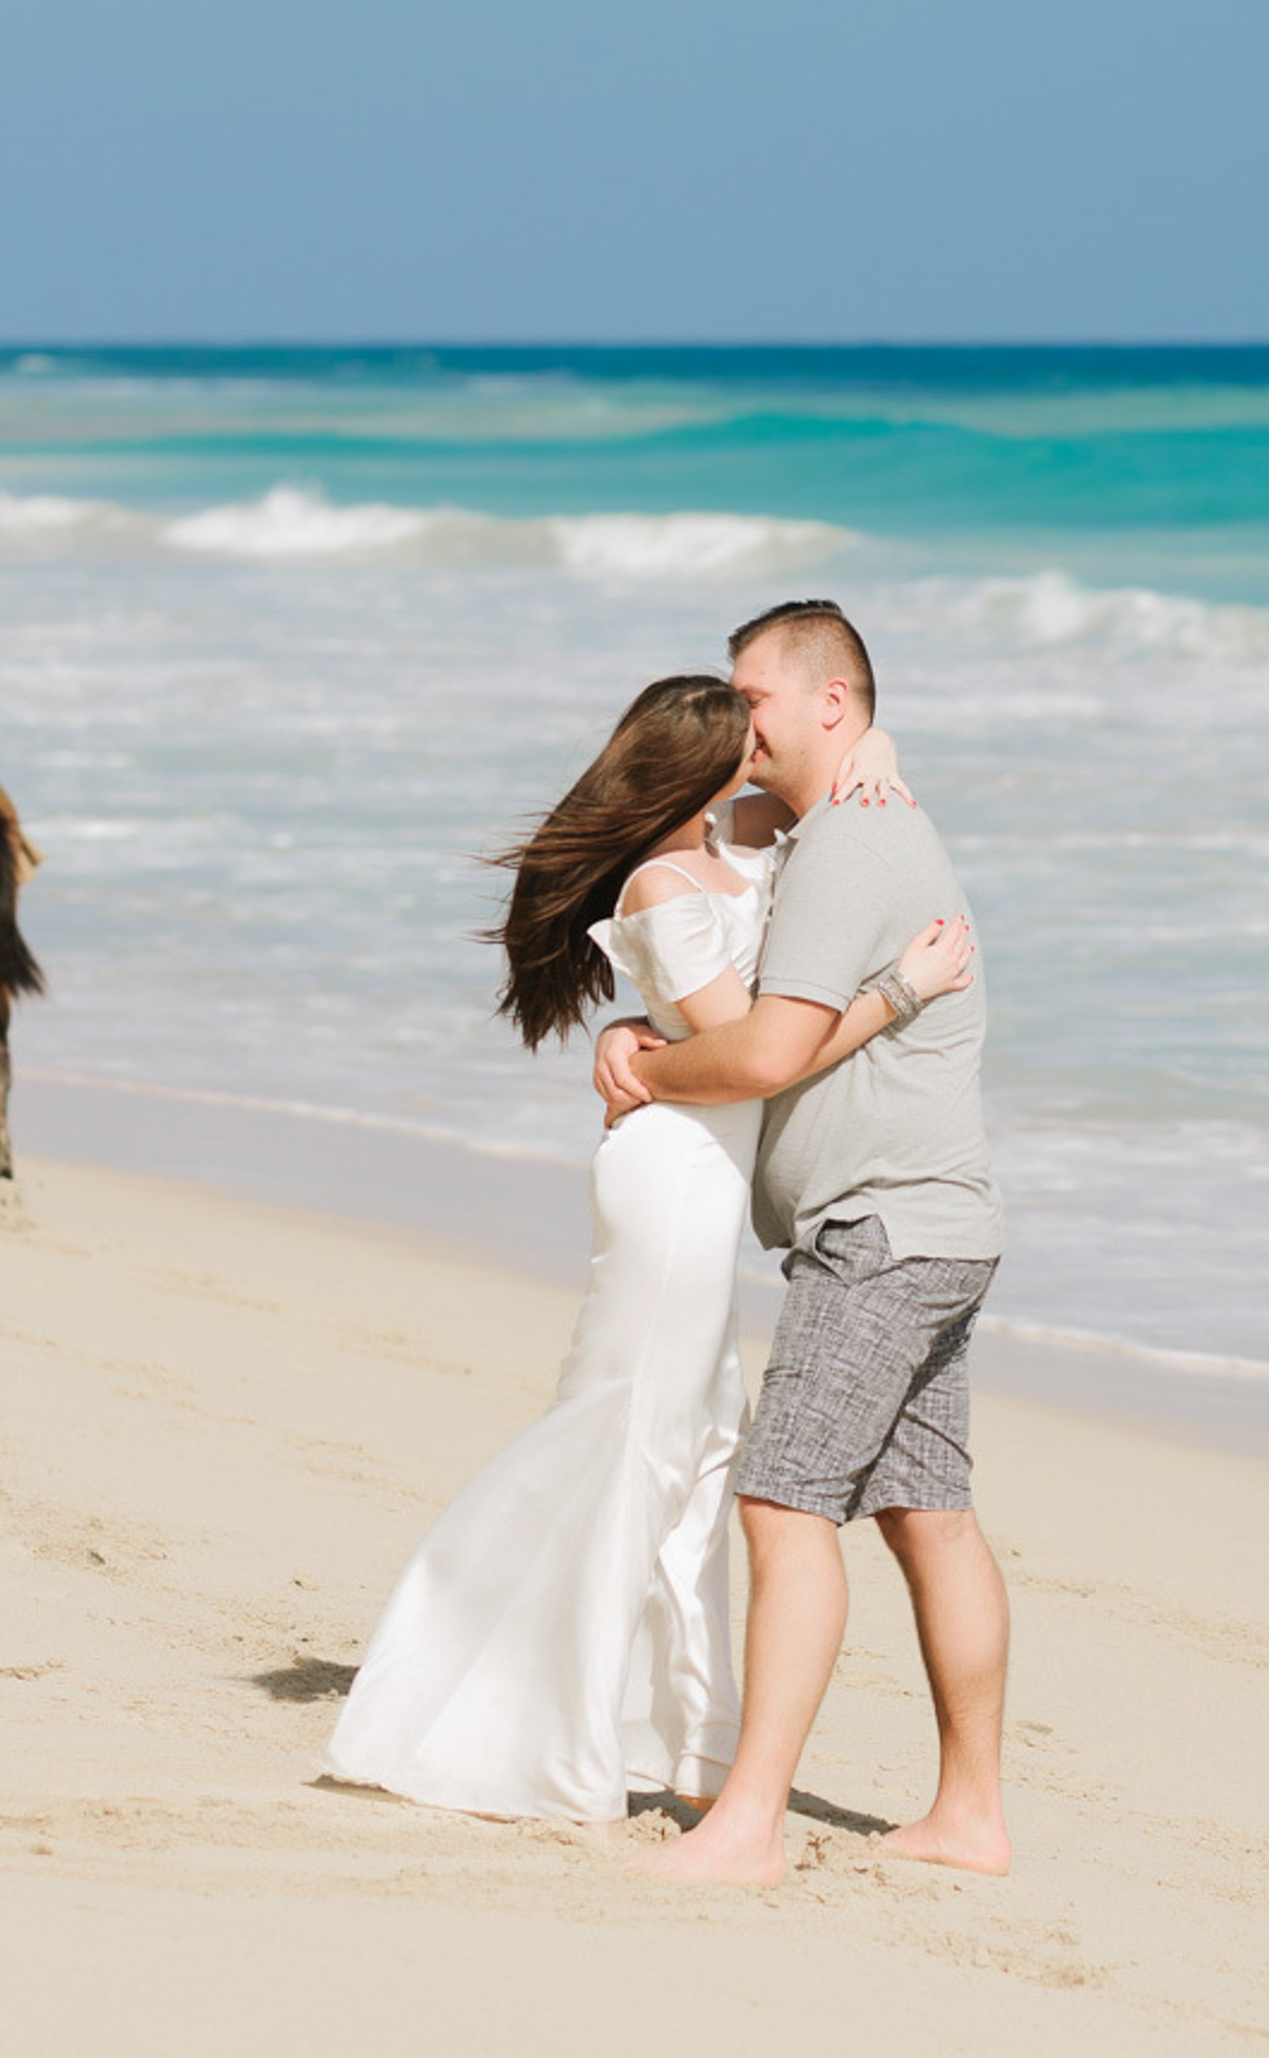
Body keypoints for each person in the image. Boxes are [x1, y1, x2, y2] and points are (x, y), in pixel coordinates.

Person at [325, 673, 972, 1826]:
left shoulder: (732, 840)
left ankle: (687, 1739)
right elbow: (761, 1054)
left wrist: (873, 746)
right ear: (702, 766)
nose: (759, 743)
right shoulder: (662, 884)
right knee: (635, 1430)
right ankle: (510, 1696)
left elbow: (833, 775)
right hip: (673, 1173)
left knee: (699, 1441)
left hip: (707, 1179)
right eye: (741, 736)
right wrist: (899, 991)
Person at [594, 601, 1009, 1886]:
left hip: (878, 1228)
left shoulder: (848, 846)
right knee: (928, 1515)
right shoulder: (845, 823)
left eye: (754, 696)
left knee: (782, 1502)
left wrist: (648, 1069)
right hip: (937, 1221)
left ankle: (750, 1825)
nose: (737, 719)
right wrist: (633, 1023)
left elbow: (769, 1052)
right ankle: (970, 1817)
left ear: (830, 703)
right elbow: (729, 925)